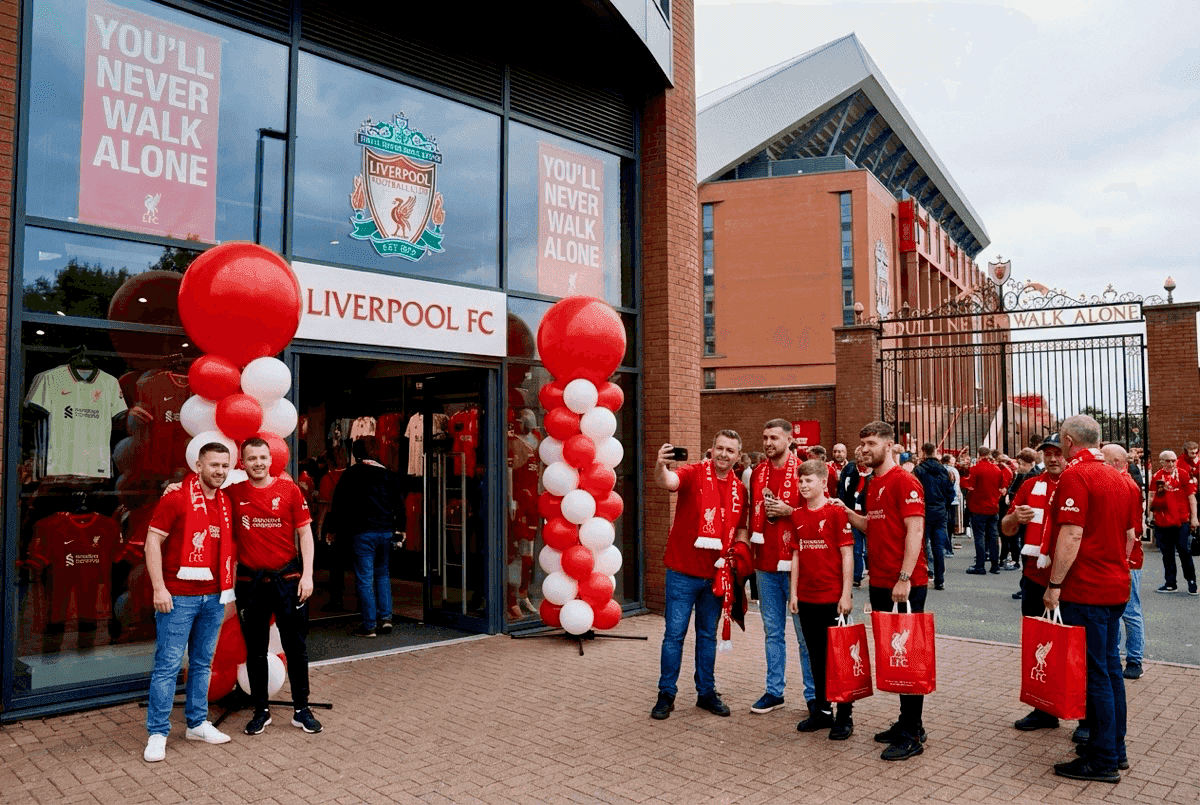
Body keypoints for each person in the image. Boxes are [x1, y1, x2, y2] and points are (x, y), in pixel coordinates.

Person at [1043, 414, 1136, 783]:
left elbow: (1071, 534)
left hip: (1088, 588)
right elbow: (1131, 535)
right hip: (1115, 585)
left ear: (1067, 440)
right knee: (1111, 669)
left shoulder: (1075, 475)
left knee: (1095, 674)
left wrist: (1054, 584)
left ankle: (1103, 759)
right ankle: (1114, 746)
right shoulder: (1121, 479)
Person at [838, 421, 929, 761]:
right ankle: (908, 724)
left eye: (872, 442)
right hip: (880, 584)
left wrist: (904, 577)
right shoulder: (873, 484)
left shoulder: (904, 481)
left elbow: (915, 530)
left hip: (903, 585)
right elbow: (873, 525)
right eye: (862, 442)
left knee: (908, 660)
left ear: (890, 445)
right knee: (894, 657)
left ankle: (912, 735)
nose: (865, 448)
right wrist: (847, 513)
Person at [142, 442, 236, 762]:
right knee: (167, 666)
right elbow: (152, 541)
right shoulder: (177, 498)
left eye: (225, 466)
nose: (220, 471)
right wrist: (159, 588)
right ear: (199, 466)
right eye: (214, 465)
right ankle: (157, 732)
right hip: (178, 597)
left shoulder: (226, 501)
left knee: (202, 664)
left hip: (214, 597)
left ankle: (197, 723)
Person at [227, 438, 322, 736]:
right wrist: (176, 487)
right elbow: (203, 491)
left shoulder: (289, 489)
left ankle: (301, 709)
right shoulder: (232, 493)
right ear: (242, 462)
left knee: (296, 647)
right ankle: (261, 711)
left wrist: (307, 575)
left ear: (271, 460)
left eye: (262, 457)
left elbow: (305, 534)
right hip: (250, 583)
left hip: (288, 581)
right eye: (251, 458)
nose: (258, 463)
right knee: (255, 649)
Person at [651, 431, 749, 720]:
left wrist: (739, 549)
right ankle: (666, 694)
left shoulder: (738, 490)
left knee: (707, 637)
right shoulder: (694, 472)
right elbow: (668, 482)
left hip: (716, 575)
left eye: (730, 450)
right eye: (719, 448)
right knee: (674, 635)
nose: (723, 454)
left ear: (738, 456)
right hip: (683, 572)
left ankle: (706, 692)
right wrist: (660, 465)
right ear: (711, 449)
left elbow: (741, 526)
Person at [739, 419, 815, 715]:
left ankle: (813, 694)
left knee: (804, 635)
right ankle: (774, 691)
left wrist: (789, 511)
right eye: (764, 437)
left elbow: (819, 513)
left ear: (789, 439)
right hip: (766, 564)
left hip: (798, 565)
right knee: (773, 632)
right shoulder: (757, 472)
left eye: (774, 437)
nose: (768, 442)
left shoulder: (806, 471)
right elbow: (749, 513)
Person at [1003, 433, 1065, 731]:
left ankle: (1086, 716)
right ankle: (1043, 709)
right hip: (1033, 577)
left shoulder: (1077, 482)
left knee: (1074, 647)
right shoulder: (1030, 485)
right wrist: (1016, 517)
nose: (1052, 458)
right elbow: (1006, 528)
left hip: (1067, 581)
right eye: (1048, 453)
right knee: (1037, 644)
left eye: (1058, 453)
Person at [789, 459, 855, 739]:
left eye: (809, 481)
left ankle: (845, 715)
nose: (804, 485)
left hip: (832, 598)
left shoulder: (836, 513)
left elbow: (847, 554)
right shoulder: (797, 516)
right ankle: (823, 711)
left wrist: (846, 594)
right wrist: (793, 593)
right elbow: (795, 555)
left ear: (823, 483)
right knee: (815, 656)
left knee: (839, 658)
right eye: (800, 481)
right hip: (806, 598)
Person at [327, 436, 404, 637]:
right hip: (386, 531)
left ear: (356, 452)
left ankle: (369, 625)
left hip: (362, 532)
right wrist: (401, 528)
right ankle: (386, 618)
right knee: (383, 575)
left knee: (365, 578)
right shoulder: (389, 475)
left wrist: (332, 528)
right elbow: (399, 505)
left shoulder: (351, 474)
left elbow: (339, 503)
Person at [1101, 444, 1145, 681]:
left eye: (1104, 460)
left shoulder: (1126, 485)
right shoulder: (1121, 483)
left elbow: (1132, 529)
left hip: (1126, 558)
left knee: (1129, 610)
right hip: (1120, 556)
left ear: (1116, 462)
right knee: (1118, 610)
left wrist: (1125, 559)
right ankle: (1116, 656)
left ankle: (1135, 659)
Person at [1148, 450, 1198, 595]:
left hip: (1181, 521)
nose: (1171, 464)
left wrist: (1194, 517)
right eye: (1167, 461)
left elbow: (1191, 497)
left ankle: (1192, 582)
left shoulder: (1183, 474)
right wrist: (1150, 514)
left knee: (1184, 551)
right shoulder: (1157, 477)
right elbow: (1152, 496)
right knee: (1167, 554)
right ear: (1161, 461)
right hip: (1163, 522)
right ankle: (1170, 583)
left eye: (1173, 460)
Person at [912, 443, 953, 590]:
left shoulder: (919, 470)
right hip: (940, 510)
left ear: (923, 452)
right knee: (938, 546)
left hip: (924, 510)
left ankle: (922, 575)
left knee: (921, 544)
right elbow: (950, 492)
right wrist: (944, 505)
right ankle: (939, 579)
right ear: (935, 451)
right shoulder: (944, 470)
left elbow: (915, 490)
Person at [962, 446, 1004, 575]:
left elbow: (970, 484)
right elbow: (1001, 486)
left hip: (978, 507)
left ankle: (980, 565)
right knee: (993, 536)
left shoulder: (975, 469)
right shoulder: (997, 469)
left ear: (979, 455)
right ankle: (995, 565)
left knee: (979, 536)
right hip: (993, 507)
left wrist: (963, 480)